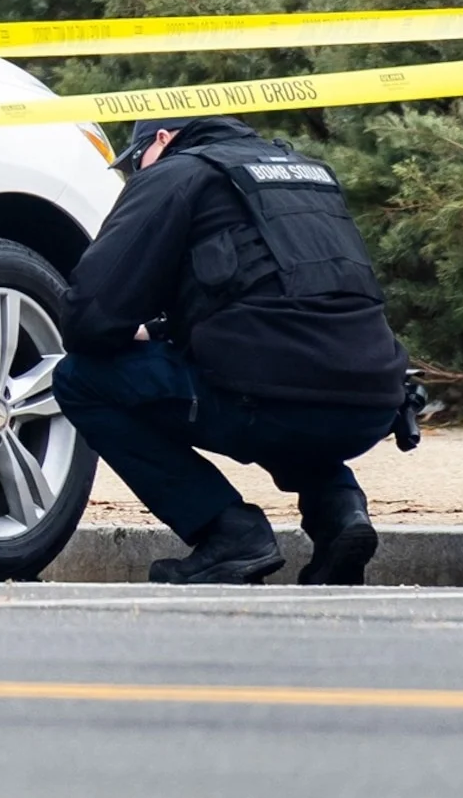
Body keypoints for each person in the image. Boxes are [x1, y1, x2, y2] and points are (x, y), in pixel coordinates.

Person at [54, 116, 411, 586]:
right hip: (372, 406)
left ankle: (229, 532)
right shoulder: (305, 171)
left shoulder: (176, 173)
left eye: (135, 163)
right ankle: (339, 513)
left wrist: (128, 333)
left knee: (80, 379)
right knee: (286, 376)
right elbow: (285, 300)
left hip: (266, 400)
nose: (134, 174)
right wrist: (167, 330)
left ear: (161, 140)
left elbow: (90, 315)